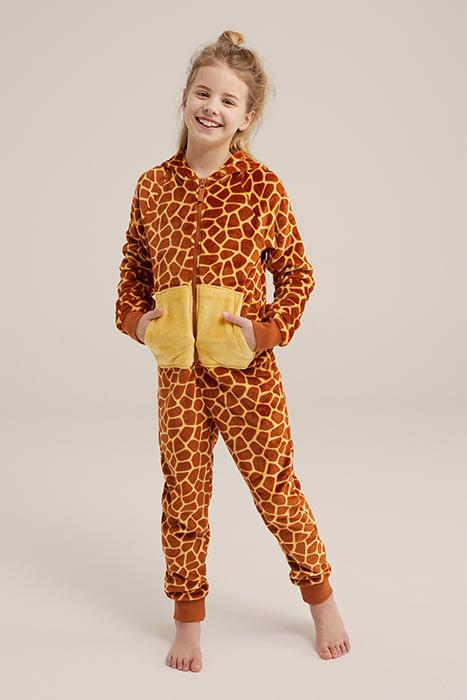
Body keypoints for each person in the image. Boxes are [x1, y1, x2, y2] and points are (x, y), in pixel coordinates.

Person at [115, 29, 351, 673]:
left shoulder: (261, 186)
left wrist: (264, 330)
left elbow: (297, 274)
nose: (211, 107)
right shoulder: (152, 187)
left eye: (228, 100)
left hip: (247, 374)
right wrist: (139, 323)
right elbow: (132, 270)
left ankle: (322, 601)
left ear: (247, 117)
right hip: (179, 376)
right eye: (203, 93)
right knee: (183, 498)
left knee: (276, 490)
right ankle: (188, 622)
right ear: (185, 98)